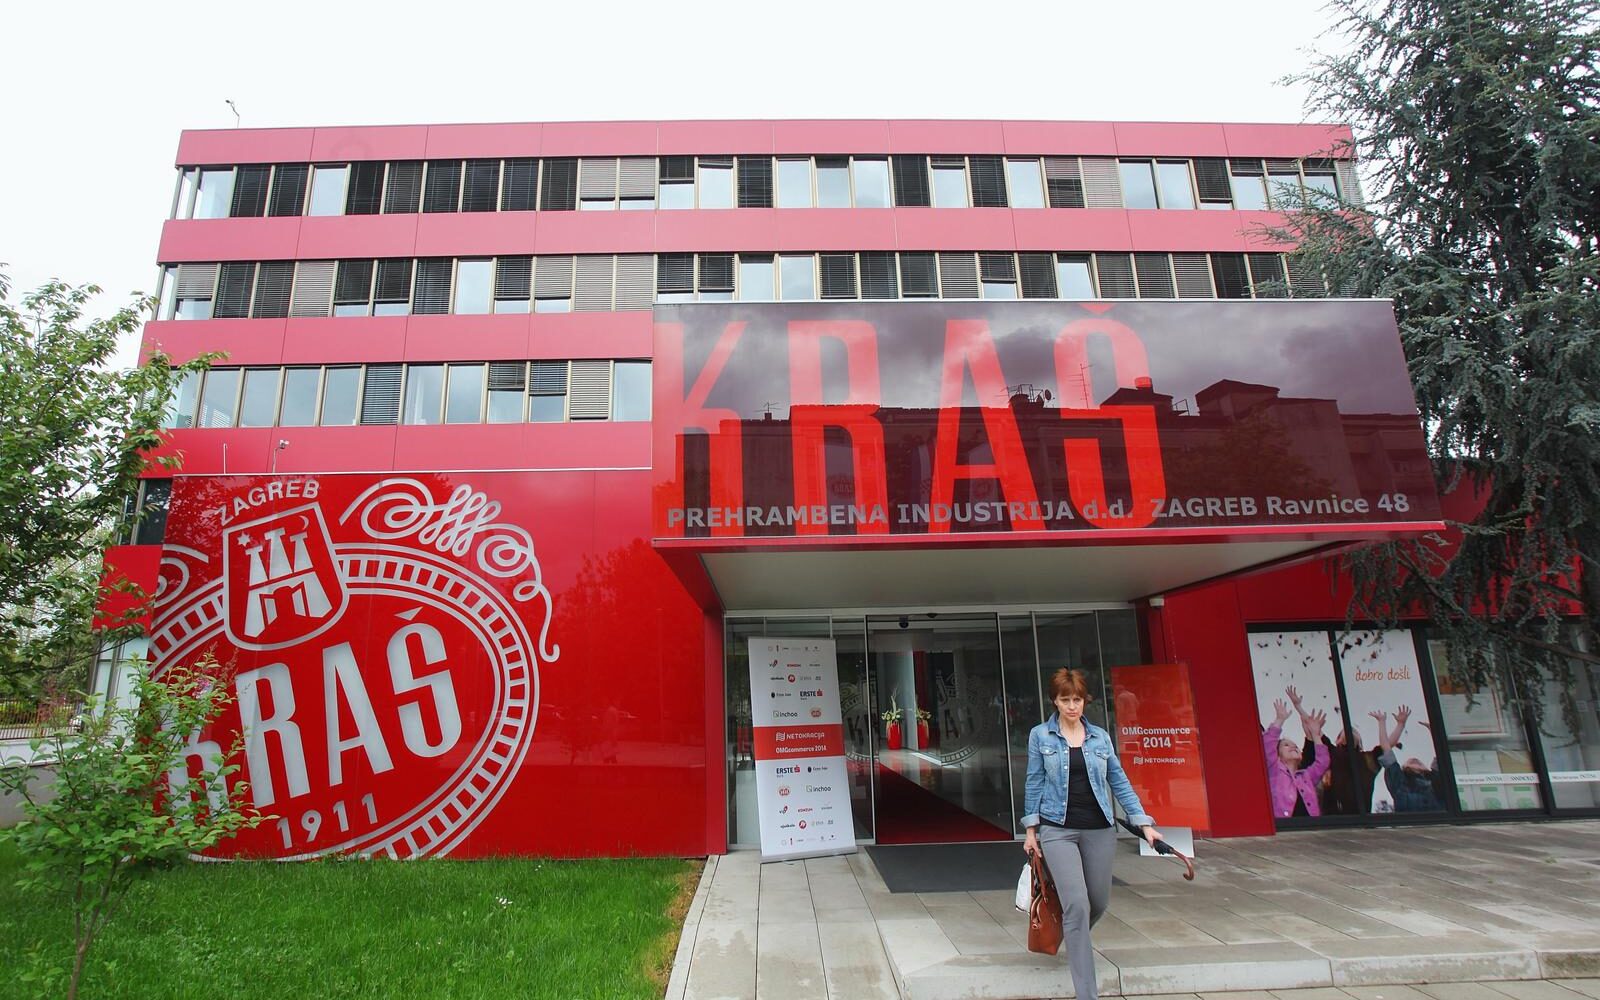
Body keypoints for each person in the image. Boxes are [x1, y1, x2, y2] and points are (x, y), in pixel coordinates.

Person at [1023, 668, 1160, 1000]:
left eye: (1077, 700)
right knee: (1077, 905)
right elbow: (1034, 782)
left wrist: (1144, 823)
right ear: (1055, 702)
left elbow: (1119, 780)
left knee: (1097, 901)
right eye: (1065, 700)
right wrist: (1031, 830)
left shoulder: (1099, 737)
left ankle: (1072, 936)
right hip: (1058, 830)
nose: (1072, 706)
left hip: (1099, 829)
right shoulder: (1041, 736)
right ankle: (1087, 993)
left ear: (1085, 701)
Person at [1263, 689, 1330, 818]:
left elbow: (1323, 762)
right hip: (1285, 827)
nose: (1293, 746)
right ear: (1277, 754)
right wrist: (1279, 720)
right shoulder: (1273, 770)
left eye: (1295, 746)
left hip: (1310, 827)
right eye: (1286, 745)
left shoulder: (1306, 776)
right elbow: (1267, 745)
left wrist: (1316, 735)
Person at [1372, 706, 1444, 812]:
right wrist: (1385, 722)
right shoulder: (1399, 781)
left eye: (1418, 762)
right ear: (1403, 768)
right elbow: (1386, 749)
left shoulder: (1435, 779)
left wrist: (1433, 732)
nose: (1414, 760)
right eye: (1410, 762)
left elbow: (1442, 755)